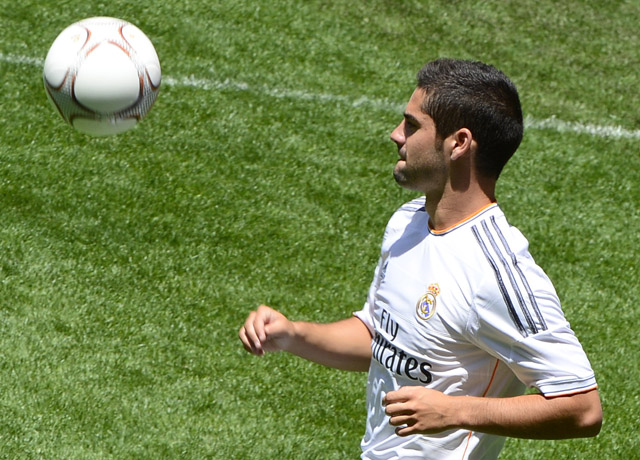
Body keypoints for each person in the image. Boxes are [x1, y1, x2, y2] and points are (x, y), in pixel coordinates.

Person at [238, 58, 602, 459]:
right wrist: (293, 335)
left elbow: (582, 408)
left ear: (458, 143)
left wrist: (454, 411)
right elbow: (382, 338)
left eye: (412, 125)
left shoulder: (496, 273)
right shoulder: (408, 221)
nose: (396, 135)